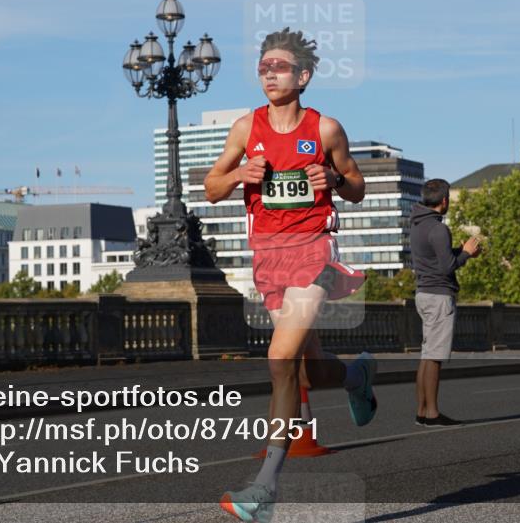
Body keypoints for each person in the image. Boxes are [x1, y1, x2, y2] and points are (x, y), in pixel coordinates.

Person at [205, 27, 374, 522]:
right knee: (305, 370)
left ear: (302, 76)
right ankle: (355, 375)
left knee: (279, 360)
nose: (268, 74)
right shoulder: (245, 128)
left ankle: (264, 490)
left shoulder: (325, 130)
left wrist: (336, 179)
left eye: (278, 67)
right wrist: (239, 175)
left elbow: (358, 188)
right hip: (268, 259)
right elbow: (212, 187)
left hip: (313, 254)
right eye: (263, 67)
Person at [409, 179, 481, 426]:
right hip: (439, 296)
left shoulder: (418, 224)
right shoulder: (439, 228)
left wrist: (457, 251)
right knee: (435, 357)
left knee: (427, 355)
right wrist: (467, 253)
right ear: (444, 201)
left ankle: (422, 410)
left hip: (423, 293)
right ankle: (432, 414)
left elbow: (436, 256)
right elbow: (447, 266)